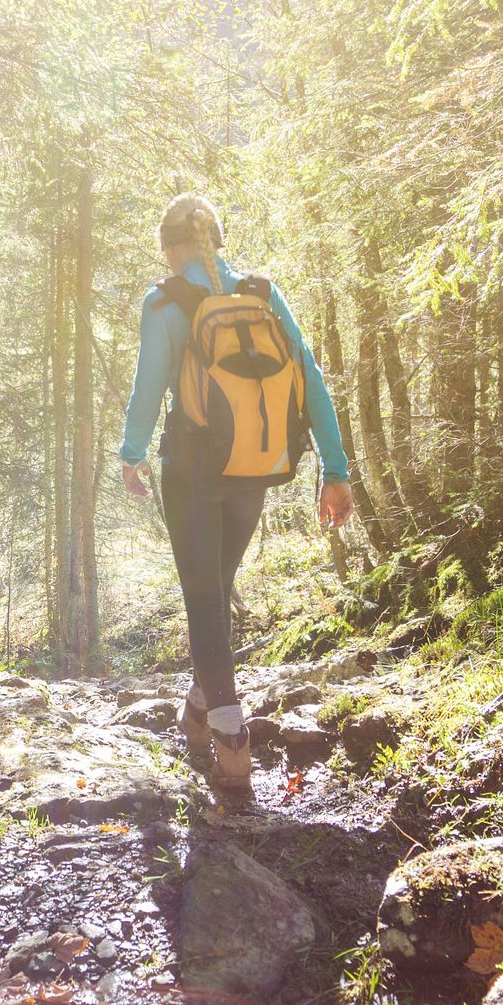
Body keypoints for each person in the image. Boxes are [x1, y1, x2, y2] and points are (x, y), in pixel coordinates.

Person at [118, 192, 353, 795]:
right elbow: (309, 376)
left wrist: (131, 454)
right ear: (215, 241)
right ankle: (199, 710)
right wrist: (335, 468)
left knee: (203, 597)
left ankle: (230, 738)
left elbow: (148, 390)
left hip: (194, 471)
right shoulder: (262, 294)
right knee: (217, 590)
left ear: (171, 249)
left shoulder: (167, 300)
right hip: (256, 467)